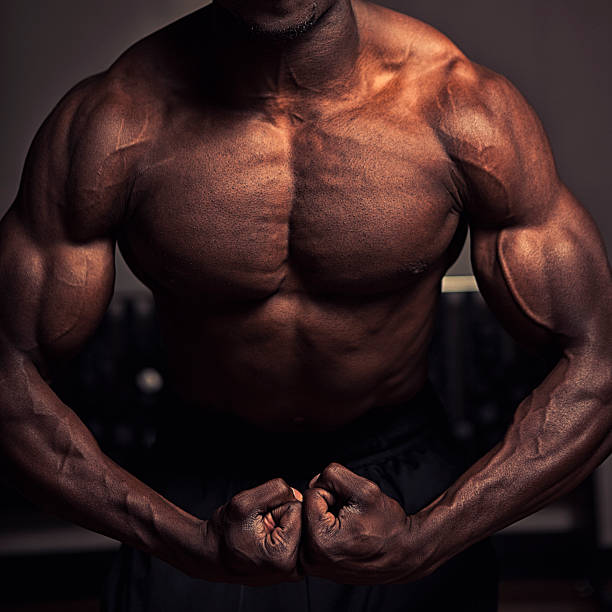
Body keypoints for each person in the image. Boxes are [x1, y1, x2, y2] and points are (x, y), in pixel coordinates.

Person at [0, 0, 610, 610]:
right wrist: (184, 540)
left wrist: (429, 538)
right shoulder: (114, 123)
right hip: (198, 482)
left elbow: (598, 365)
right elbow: (8, 373)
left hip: (401, 478)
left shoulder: (461, 109)